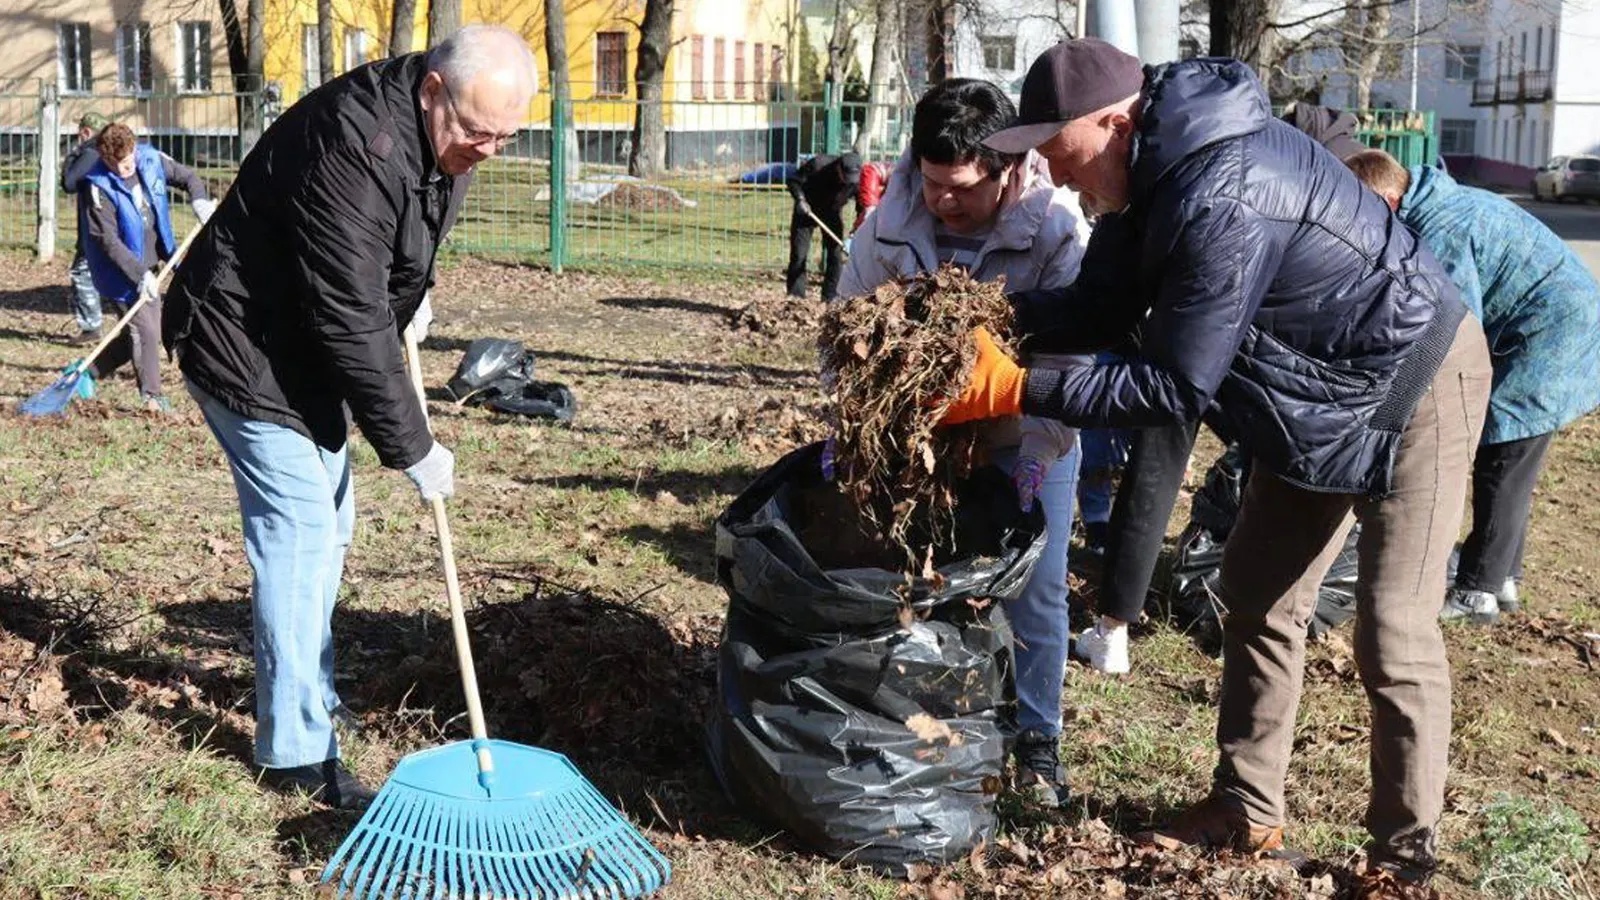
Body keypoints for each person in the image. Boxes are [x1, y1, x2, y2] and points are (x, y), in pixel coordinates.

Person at [944, 40, 1490, 899]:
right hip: (1317, 389)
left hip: (1414, 379)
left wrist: (1017, 384)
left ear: (1114, 122)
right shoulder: (1148, 175)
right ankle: (1246, 808)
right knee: (1258, 589)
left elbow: (1173, 383)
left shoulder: (1223, 189)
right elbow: (1100, 306)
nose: (1050, 168)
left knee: (1392, 629)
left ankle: (1403, 860)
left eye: (1057, 147)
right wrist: (987, 319)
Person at [162, 25, 537, 809]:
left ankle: (309, 692)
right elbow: (349, 315)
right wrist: (414, 446)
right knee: (299, 531)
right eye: (477, 131)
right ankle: (295, 752)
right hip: (242, 338)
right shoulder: (354, 146)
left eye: (507, 135)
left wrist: (413, 287)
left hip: (297, 342)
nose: (489, 150)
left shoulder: (441, 128)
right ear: (433, 90)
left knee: (330, 524)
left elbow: (398, 235)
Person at [836, 78, 1090, 808]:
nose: (945, 201)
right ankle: (936, 728)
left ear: (1008, 167)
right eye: (934, 182)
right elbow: (846, 332)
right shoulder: (888, 225)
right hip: (920, 438)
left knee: (1035, 590)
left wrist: (1029, 456)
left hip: (1027, 436)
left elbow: (1069, 369)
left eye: (964, 188)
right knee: (923, 576)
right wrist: (863, 425)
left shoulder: (1055, 231)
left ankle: (1038, 744)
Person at [1340, 148, 1600, 624]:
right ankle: (1502, 577)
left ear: (1390, 202)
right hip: (1554, 328)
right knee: (1509, 457)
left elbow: (1451, 331)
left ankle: (1478, 591)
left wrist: (1392, 408)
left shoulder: (1444, 230)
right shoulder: (1436, 204)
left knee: (1501, 455)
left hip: (1556, 337)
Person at [78, 123, 215, 411]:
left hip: (155, 257)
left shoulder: (151, 159)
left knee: (136, 334)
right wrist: (139, 275)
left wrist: (200, 202)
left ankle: (86, 373)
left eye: (128, 162)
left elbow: (188, 177)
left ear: (134, 150)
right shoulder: (97, 187)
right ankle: (152, 396)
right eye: (118, 166)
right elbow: (108, 241)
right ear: (105, 159)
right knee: (148, 329)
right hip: (118, 270)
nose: (125, 170)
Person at [785, 151, 861, 301]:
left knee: (835, 255)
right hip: (807, 211)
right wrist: (800, 199)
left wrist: (856, 231)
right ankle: (796, 297)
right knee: (799, 255)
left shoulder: (856, 180)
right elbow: (793, 181)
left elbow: (862, 206)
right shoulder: (817, 165)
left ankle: (830, 298)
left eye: (851, 180)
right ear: (839, 167)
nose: (847, 182)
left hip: (832, 212)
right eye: (845, 177)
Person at [62, 111, 110, 345]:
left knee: (82, 272)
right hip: (106, 222)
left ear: (86, 132)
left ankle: (91, 328)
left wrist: (73, 155)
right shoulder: (106, 152)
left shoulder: (90, 153)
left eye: (79, 131)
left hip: (95, 225)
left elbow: (69, 183)